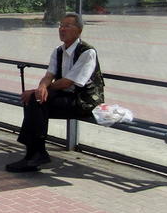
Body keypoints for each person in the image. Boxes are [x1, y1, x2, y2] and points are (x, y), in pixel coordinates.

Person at [7, 12, 105, 172]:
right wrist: (41, 88)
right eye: (60, 25)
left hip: (84, 100)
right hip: (65, 96)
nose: (62, 29)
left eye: (67, 26)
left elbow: (68, 82)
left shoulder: (87, 52)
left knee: (36, 101)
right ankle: (35, 154)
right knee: (36, 101)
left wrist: (36, 91)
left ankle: (35, 153)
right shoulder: (58, 51)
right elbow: (48, 76)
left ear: (79, 30)